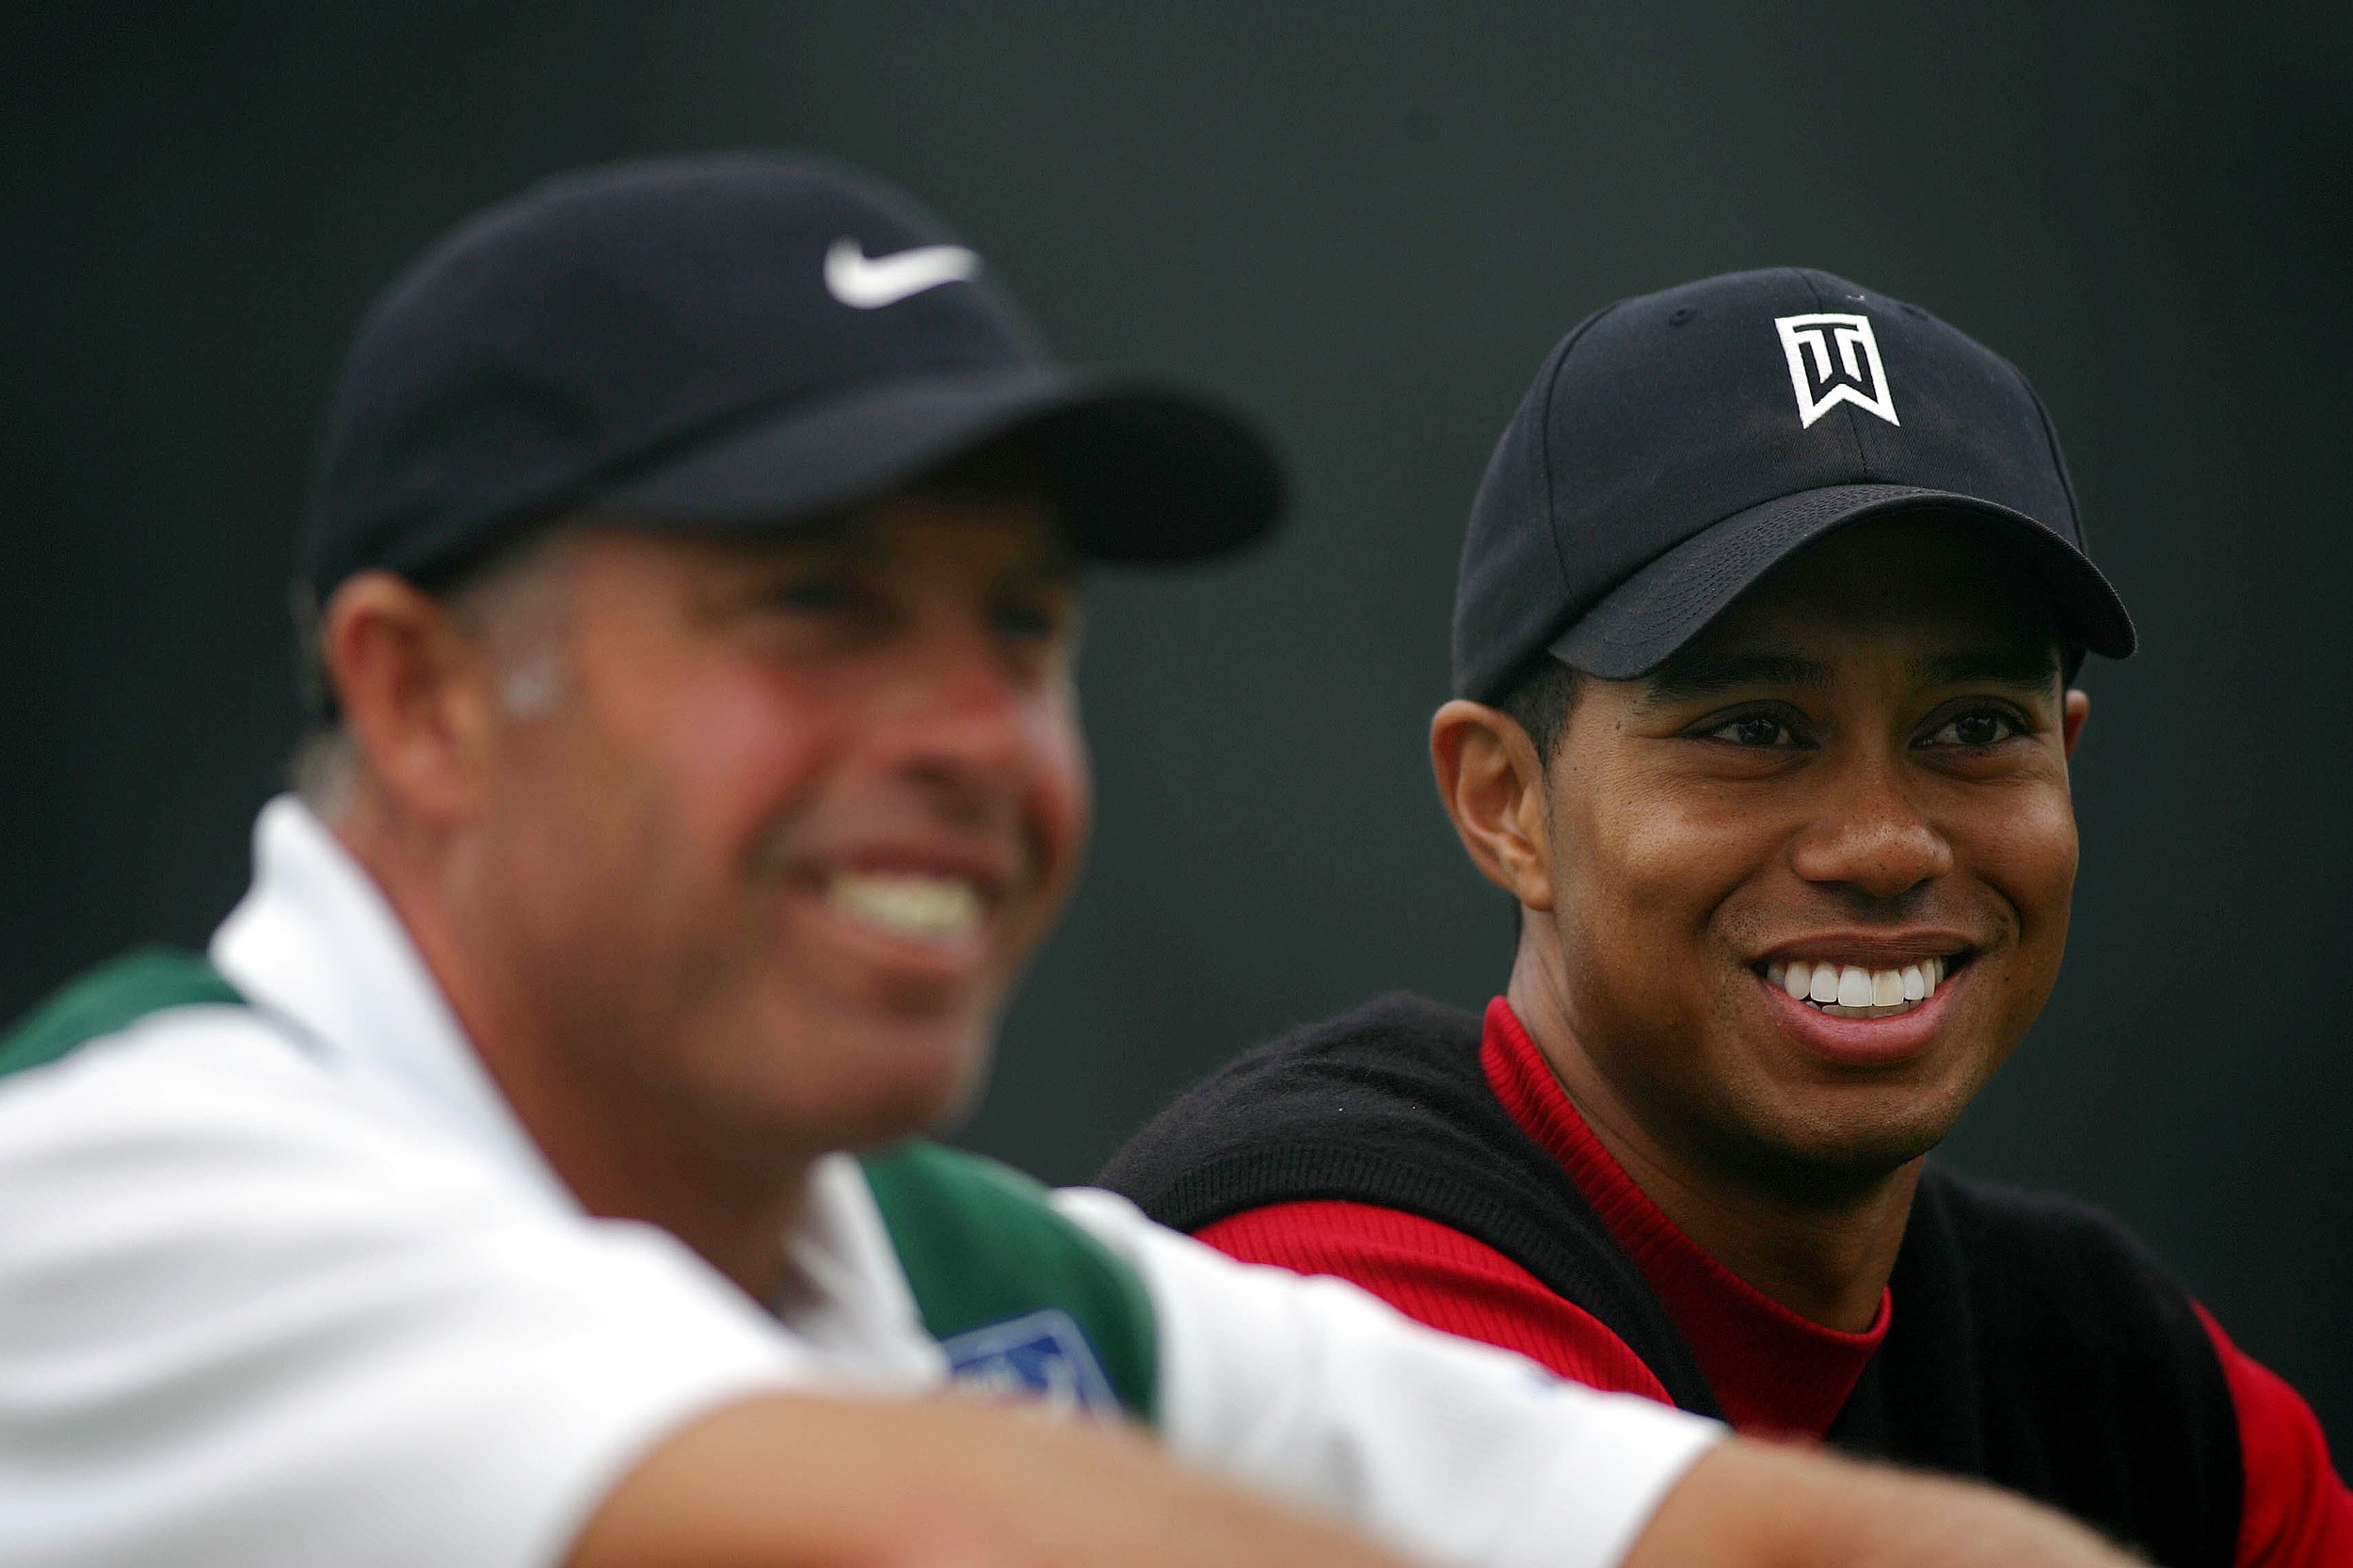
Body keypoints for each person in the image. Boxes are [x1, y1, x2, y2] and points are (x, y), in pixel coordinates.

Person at [0, 160, 2138, 1568]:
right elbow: (941, 1537)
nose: (970, 735)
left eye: (1018, 631)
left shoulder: (961, 1271)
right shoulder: (123, 1193)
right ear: (422, 699)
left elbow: (1732, 1532)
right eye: (816, 611)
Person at [1102, 268, 2353, 1568]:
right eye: (1754, 730)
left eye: (1975, 727)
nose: (1885, 844)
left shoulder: (2127, 1382)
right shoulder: (1319, 1280)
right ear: (1506, 802)